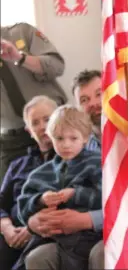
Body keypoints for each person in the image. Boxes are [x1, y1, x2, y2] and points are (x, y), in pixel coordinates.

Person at [25, 70, 104, 270]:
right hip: (63, 236)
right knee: (37, 258)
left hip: (102, 231)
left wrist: (87, 220)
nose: (93, 103)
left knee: (100, 253)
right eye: (84, 99)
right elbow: (29, 198)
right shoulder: (66, 155)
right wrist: (34, 221)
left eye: (99, 94)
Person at [0, 22, 67, 183]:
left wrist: (19, 57)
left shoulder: (22, 32)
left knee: (66, 186)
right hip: (14, 141)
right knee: (9, 198)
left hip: (54, 127)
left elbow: (57, 66)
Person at [0, 96, 58, 270]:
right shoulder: (17, 165)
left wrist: (31, 228)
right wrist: (6, 227)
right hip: (11, 233)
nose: (42, 126)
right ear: (29, 131)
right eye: (35, 123)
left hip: (44, 233)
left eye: (47, 119)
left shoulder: (71, 159)